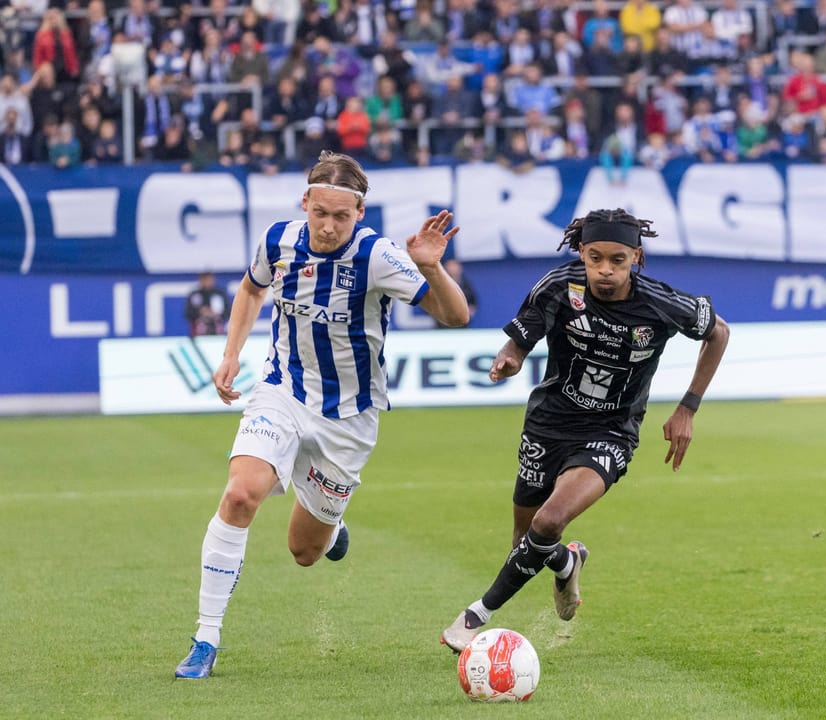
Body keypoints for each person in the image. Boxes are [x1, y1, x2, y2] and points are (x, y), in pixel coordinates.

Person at [175, 151, 470, 679]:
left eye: (342, 216)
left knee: (305, 551)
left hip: (349, 419)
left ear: (359, 212)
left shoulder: (379, 256)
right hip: (281, 390)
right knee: (242, 492)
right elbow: (250, 287)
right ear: (305, 202)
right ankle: (206, 637)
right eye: (321, 213)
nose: (329, 226)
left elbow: (456, 316)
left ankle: (332, 530)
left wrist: (431, 266)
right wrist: (230, 352)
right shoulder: (278, 240)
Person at [440, 208, 730, 652]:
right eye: (595, 258)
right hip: (547, 424)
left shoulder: (660, 303)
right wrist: (510, 358)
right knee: (526, 544)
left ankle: (475, 615)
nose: (605, 270)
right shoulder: (559, 286)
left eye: (617, 260)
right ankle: (567, 561)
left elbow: (719, 332)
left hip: (611, 431)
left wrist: (687, 407)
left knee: (550, 518)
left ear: (636, 256)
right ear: (581, 252)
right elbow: (519, 342)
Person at [185, 271, 230, 337]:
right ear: (200, 281)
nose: (208, 282)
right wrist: (201, 312)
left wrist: (216, 314)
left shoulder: (220, 294)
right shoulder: (194, 295)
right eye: (205, 280)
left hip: (218, 332)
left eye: (210, 280)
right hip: (198, 333)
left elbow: (228, 311)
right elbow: (188, 313)